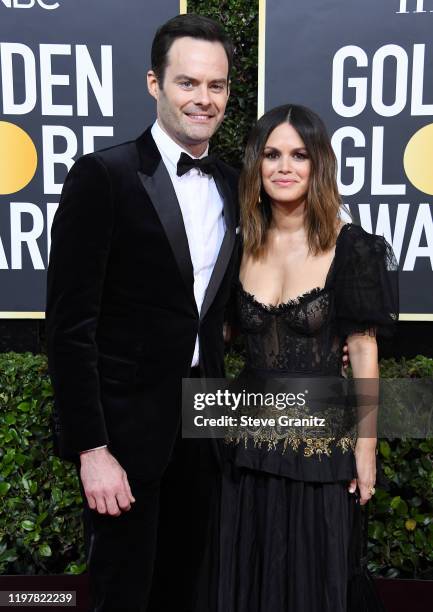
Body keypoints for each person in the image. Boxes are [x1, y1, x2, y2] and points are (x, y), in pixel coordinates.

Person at [45, 14, 239, 612]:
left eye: (216, 86)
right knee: (123, 594)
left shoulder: (234, 184)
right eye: (188, 83)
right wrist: (92, 449)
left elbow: (222, 306)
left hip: (204, 427)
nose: (203, 99)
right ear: (155, 83)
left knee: (187, 589)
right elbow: (68, 327)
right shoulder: (103, 176)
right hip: (124, 438)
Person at [210, 104, 398, 612]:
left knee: (315, 578)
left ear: (319, 165)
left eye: (299, 154)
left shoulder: (351, 247)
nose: (284, 167)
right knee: (248, 575)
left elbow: (362, 352)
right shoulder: (238, 243)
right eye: (271, 154)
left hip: (321, 449)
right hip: (246, 444)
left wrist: (366, 451)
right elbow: (221, 332)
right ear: (256, 163)